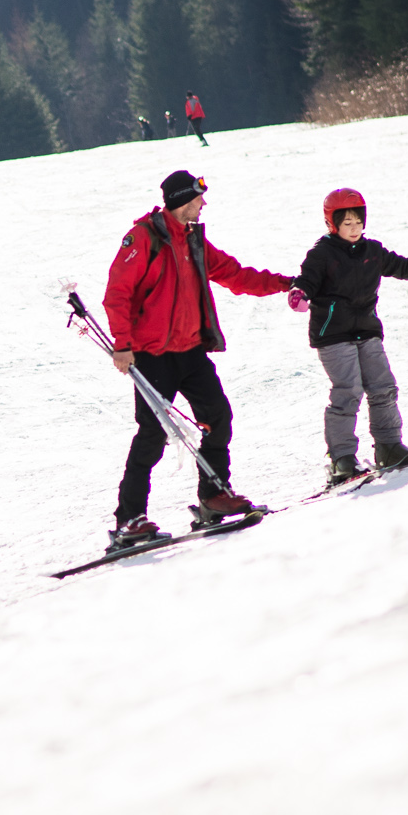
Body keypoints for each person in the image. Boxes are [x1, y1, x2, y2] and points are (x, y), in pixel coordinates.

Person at [101, 170, 295, 548]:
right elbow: (117, 293)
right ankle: (129, 519)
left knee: (217, 417)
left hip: (190, 350)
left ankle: (213, 496)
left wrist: (286, 283)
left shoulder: (194, 242)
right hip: (152, 356)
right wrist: (122, 345)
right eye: (197, 199)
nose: (203, 204)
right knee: (153, 434)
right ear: (178, 200)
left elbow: (237, 275)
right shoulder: (142, 238)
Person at [288, 188, 408, 484]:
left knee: (383, 387)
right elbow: (306, 279)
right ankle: (342, 458)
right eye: (347, 223)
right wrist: (299, 293)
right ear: (332, 224)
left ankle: (389, 447)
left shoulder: (372, 251)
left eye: (358, 221)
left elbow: (403, 266)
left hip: (366, 330)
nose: (354, 228)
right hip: (333, 335)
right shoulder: (322, 254)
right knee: (348, 391)